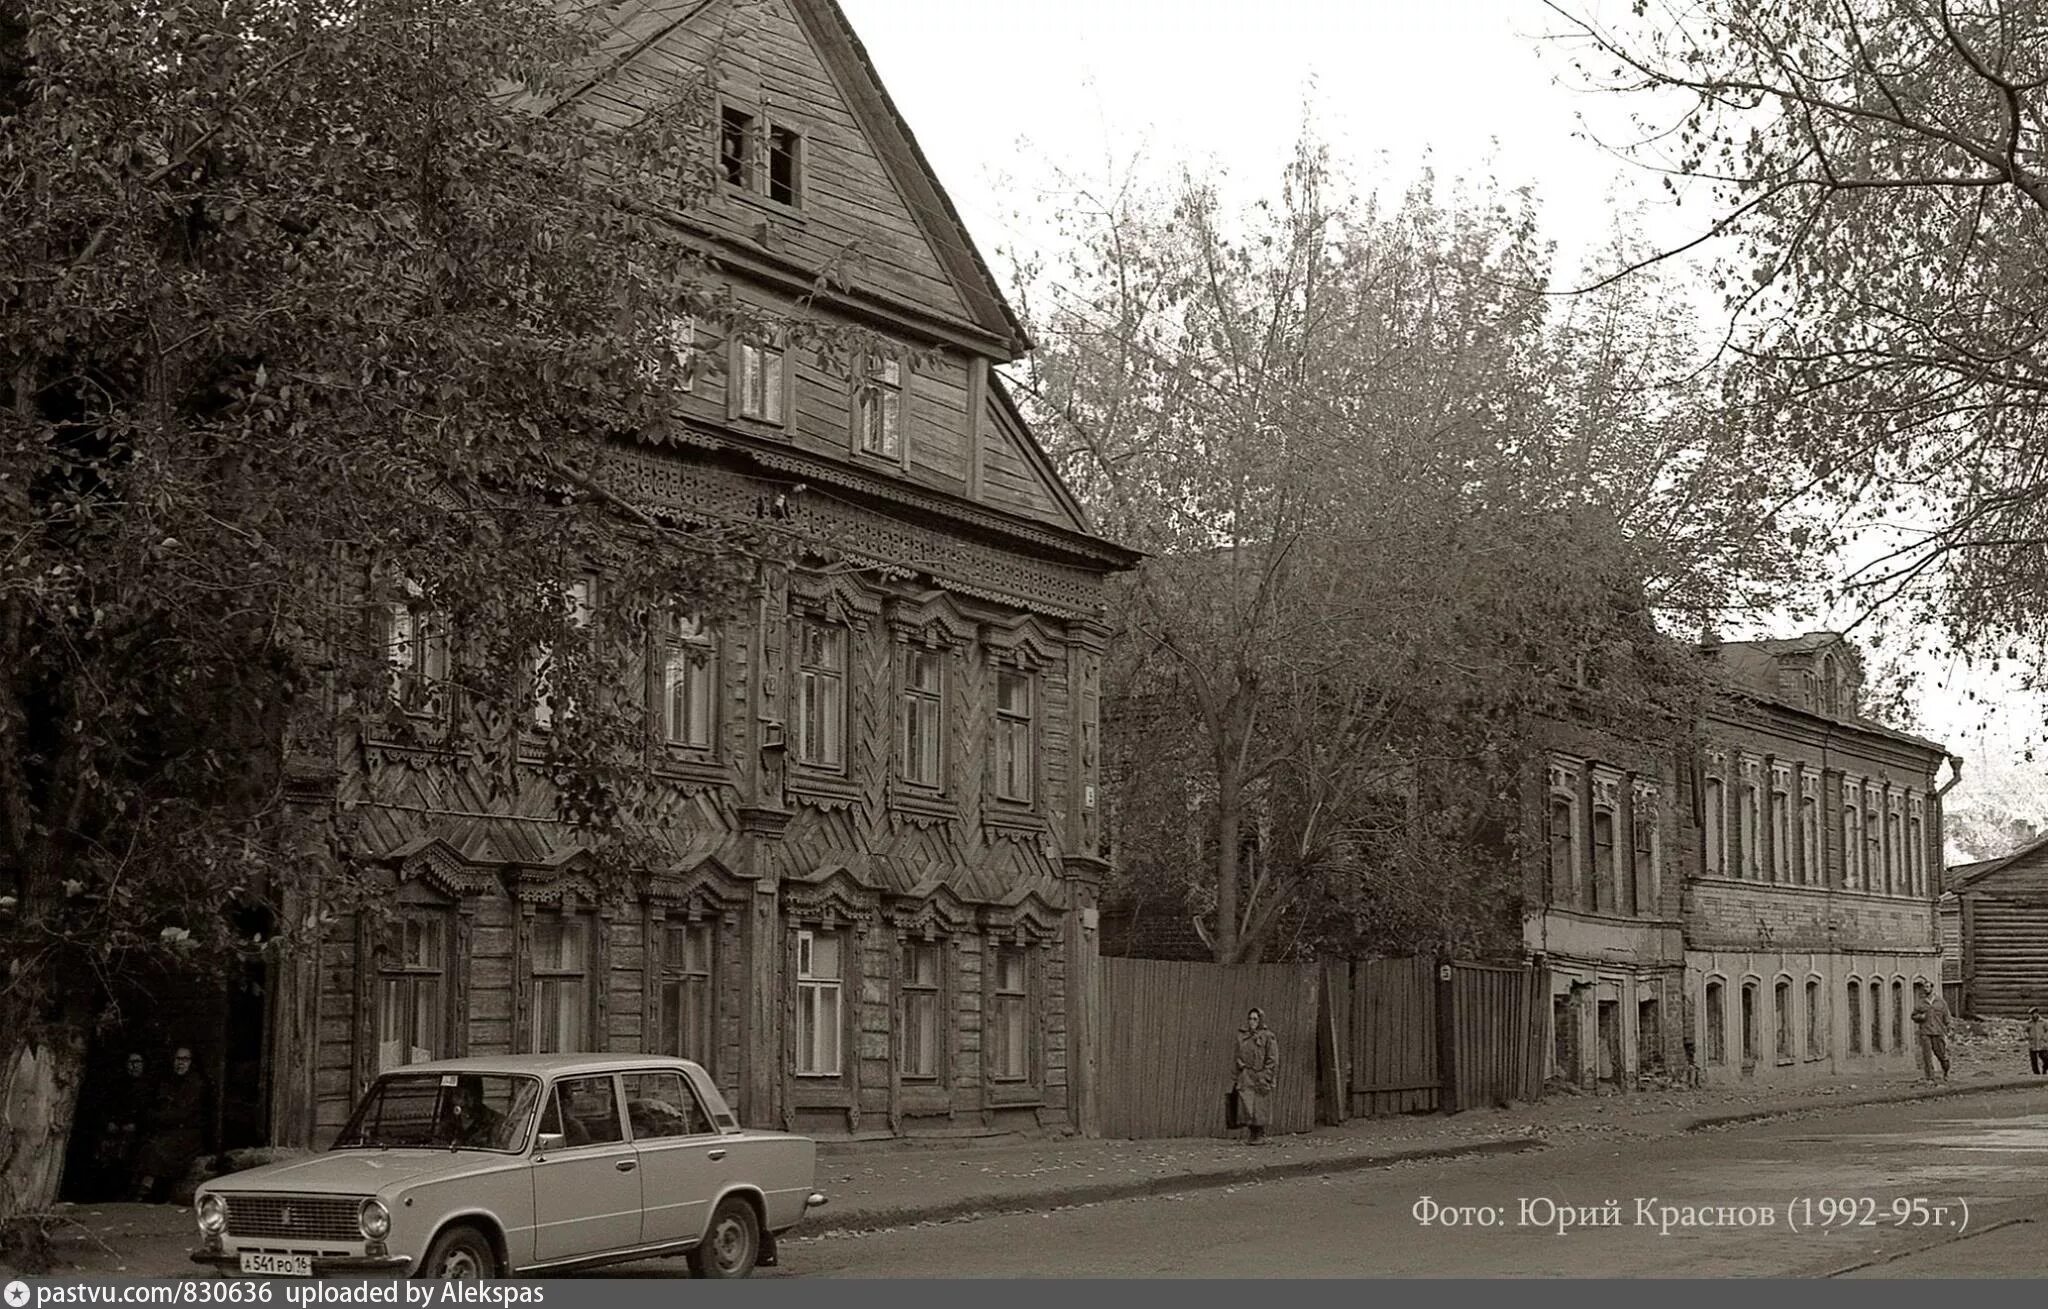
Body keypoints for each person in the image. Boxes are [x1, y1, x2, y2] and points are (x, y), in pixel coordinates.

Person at [132, 1046, 213, 1203]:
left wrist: (160, 1117)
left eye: (185, 1059)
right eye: (177, 1059)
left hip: (188, 1134)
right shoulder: (168, 1082)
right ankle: (143, 1189)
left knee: (157, 1149)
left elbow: (182, 1114)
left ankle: (146, 1190)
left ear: (191, 1062)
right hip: (168, 1130)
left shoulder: (196, 1084)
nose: (180, 1063)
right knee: (147, 1144)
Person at [94, 1052, 150, 1199]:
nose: (134, 1066)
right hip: (117, 1129)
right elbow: (106, 1107)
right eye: (131, 1062)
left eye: (138, 1062)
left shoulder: (149, 1087)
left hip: (139, 1131)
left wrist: (136, 1125)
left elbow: (150, 1113)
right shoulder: (117, 1086)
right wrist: (110, 1123)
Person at [1233, 1007, 1280, 1145]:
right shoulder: (1243, 1036)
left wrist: (1266, 1075)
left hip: (1260, 1075)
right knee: (1247, 1106)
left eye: (1255, 1019)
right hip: (1247, 1075)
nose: (1252, 1022)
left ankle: (1260, 1135)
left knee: (1260, 1106)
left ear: (1260, 1020)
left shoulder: (1268, 1036)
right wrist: (1240, 1064)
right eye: (1250, 1019)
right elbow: (1237, 1054)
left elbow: (1273, 1058)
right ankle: (1252, 1135)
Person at [1909, 982, 1952, 1083]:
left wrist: (1949, 1028)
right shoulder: (1921, 1003)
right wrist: (1920, 1017)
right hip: (1925, 1032)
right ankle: (1930, 1077)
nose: (1925, 989)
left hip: (1938, 1032)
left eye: (1927, 987)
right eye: (1924, 987)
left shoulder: (1941, 1002)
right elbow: (1913, 1016)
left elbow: (1947, 1017)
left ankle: (1946, 1071)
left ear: (1932, 988)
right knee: (1927, 1056)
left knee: (1941, 1054)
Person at [2027, 1007, 2048, 1076]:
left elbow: (2047, 1031)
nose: (2033, 1016)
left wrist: (2045, 1037)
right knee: (2034, 1060)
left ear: (2037, 1013)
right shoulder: (2029, 1023)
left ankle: (2045, 1069)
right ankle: (2036, 1074)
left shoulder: (2044, 1022)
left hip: (2042, 1043)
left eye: (2034, 1014)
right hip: (2033, 1044)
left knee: (2046, 1058)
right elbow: (2025, 1031)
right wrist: (2028, 1037)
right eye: (2031, 1014)